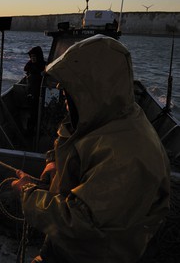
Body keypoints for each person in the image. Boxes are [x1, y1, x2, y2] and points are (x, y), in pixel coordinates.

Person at [11, 35, 170, 263]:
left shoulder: (126, 155)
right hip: (63, 244)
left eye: (68, 92)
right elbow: (67, 134)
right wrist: (52, 161)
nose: (64, 99)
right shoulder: (105, 116)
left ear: (91, 90)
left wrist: (27, 194)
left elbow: (81, 224)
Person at [24, 46, 46, 133]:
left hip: (40, 93)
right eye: (31, 57)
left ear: (38, 57)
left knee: (37, 112)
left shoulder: (43, 66)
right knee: (32, 112)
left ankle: (36, 129)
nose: (32, 58)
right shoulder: (29, 65)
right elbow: (26, 70)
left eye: (34, 57)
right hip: (31, 93)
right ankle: (31, 130)